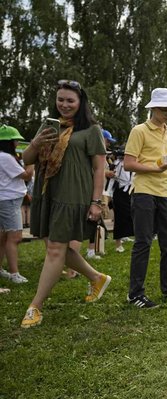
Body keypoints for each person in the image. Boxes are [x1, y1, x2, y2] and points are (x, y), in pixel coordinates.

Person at [20, 79, 112, 328]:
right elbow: (27, 158)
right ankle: (97, 277)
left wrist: (96, 202)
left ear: (80, 103)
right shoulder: (48, 126)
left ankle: (35, 306)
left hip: (73, 196)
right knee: (55, 246)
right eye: (60, 99)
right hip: (47, 192)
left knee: (55, 250)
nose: (64, 104)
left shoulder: (91, 130)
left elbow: (99, 169)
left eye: (70, 100)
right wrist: (37, 142)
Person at [124, 87, 167, 308]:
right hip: (144, 191)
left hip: (165, 193)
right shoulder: (139, 131)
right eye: (165, 110)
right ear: (153, 108)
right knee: (143, 242)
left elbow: (166, 164)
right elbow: (129, 164)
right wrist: (155, 168)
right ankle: (135, 294)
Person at [0, 125, 34, 284]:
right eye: (15, 141)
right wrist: (31, 159)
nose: (17, 144)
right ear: (9, 142)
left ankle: (1, 269)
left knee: (3, 237)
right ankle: (15, 274)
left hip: (5, 199)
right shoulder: (5, 157)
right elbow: (27, 175)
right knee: (15, 237)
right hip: (9, 201)